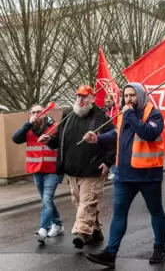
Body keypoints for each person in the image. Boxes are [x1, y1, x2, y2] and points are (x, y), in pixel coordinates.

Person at [83, 83, 165, 268]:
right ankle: (111, 253)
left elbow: (149, 133)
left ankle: (160, 248)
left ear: (141, 96)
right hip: (123, 176)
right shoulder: (124, 114)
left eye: (132, 96)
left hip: (148, 176)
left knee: (156, 212)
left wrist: (129, 115)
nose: (128, 99)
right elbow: (117, 133)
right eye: (126, 96)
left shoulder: (154, 114)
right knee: (119, 214)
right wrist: (98, 138)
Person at [38, 85, 116, 249]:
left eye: (85, 96)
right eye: (78, 96)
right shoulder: (67, 115)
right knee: (80, 202)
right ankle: (95, 231)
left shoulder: (101, 117)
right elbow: (59, 139)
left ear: (92, 98)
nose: (81, 100)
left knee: (87, 203)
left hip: (93, 169)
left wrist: (108, 162)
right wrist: (49, 141)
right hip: (72, 170)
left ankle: (81, 233)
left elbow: (112, 141)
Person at [11, 104, 64, 244]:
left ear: (45, 113)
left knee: (46, 200)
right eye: (33, 112)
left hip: (52, 170)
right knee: (47, 200)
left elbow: (61, 143)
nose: (36, 114)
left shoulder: (55, 126)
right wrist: (27, 124)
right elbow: (15, 139)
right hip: (36, 170)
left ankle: (43, 229)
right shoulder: (28, 129)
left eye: (39, 112)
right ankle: (57, 224)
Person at [104, 94, 119, 180]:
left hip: (115, 134)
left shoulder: (117, 110)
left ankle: (114, 171)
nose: (107, 103)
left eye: (109, 101)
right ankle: (111, 172)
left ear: (113, 101)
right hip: (106, 134)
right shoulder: (104, 111)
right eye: (106, 102)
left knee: (113, 153)